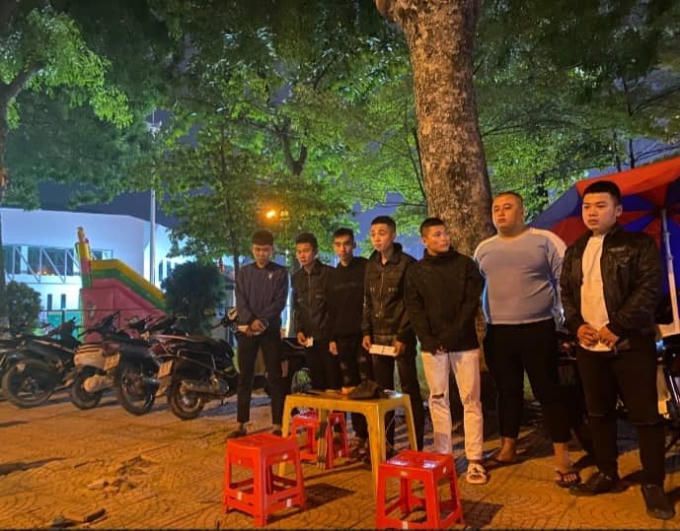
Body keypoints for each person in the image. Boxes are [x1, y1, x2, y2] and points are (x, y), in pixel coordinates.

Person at [561, 180, 674, 520]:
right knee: (598, 413)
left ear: (618, 210)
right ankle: (607, 472)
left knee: (646, 417)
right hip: (589, 346)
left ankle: (653, 483)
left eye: (600, 206)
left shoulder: (638, 245)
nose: (592, 213)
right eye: (587, 207)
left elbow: (648, 290)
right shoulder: (576, 249)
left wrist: (617, 327)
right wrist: (576, 324)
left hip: (630, 344)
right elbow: (566, 292)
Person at [474, 191, 579, 488]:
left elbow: (566, 280)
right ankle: (508, 448)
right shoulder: (483, 249)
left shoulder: (545, 241)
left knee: (548, 391)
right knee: (507, 392)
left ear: (522, 211)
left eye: (507, 207)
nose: (501, 213)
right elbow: (476, 287)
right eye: (496, 208)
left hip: (538, 328)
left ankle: (562, 455)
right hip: (499, 332)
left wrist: (565, 319)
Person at [405, 217, 488, 484]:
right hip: (432, 347)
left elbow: (470, 302)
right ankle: (443, 457)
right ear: (424, 240)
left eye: (445, 233)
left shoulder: (465, 265)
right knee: (438, 399)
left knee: (471, 400)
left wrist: (452, 335)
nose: (444, 238)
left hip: (464, 343)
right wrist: (427, 338)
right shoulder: (416, 272)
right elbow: (414, 308)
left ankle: (475, 459)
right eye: (437, 235)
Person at [362, 215, 425, 452]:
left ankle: (416, 446)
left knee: (409, 390)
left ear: (393, 234)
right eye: (373, 234)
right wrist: (366, 331)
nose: (377, 238)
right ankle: (386, 445)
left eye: (382, 233)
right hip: (377, 337)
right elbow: (367, 300)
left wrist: (403, 335)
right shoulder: (370, 264)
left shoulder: (408, 264)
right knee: (383, 391)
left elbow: (411, 304)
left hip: (399, 336)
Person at [230, 229, 288, 438]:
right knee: (244, 377)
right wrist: (250, 320)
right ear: (252, 249)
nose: (261, 253)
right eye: (257, 249)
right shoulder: (244, 273)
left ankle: (278, 424)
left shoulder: (281, 272)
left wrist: (262, 321)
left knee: (275, 376)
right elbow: (240, 300)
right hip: (248, 331)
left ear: (272, 250)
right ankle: (241, 423)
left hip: (269, 331)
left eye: (265, 250)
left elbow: (280, 301)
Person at [327, 227, 371, 460]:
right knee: (349, 387)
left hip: (363, 337)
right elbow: (331, 310)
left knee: (367, 386)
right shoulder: (333, 276)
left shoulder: (365, 267)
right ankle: (358, 436)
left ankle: (369, 436)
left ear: (354, 245)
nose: (342, 249)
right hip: (341, 338)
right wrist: (332, 338)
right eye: (338, 244)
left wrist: (368, 331)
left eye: (346, 244)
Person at [292, 232, 339, 391]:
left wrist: (333, 337)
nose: (302, 255)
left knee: (333, 381)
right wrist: (299, 329)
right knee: (316, 381)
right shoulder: (296, 278)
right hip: (309, 338)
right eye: (299, 251)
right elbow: (297, 307)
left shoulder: (329, 274)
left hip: (328, 338)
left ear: (315, 251)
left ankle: (334, 408)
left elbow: (335, 308)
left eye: (306, 251)